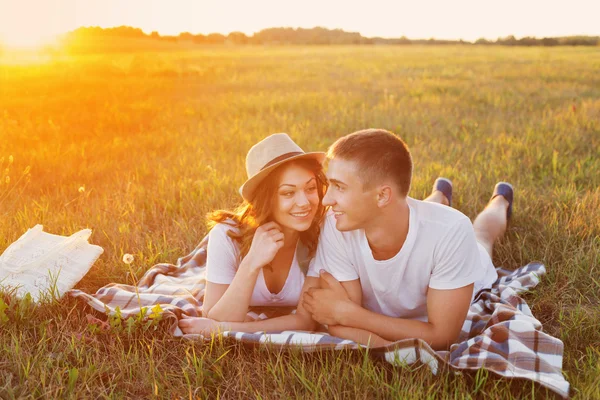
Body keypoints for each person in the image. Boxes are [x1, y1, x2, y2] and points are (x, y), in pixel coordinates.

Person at [301, 129, 512, 350]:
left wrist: (349, 314)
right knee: (414, 211)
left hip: (459, 270)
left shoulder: (452, 231)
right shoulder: (337, 223)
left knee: (481, 237)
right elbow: (339, 324)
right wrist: (347, 317)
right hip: (401, 213)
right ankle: (439, 195)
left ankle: (501, 199)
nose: (326, 199)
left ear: (382, 195)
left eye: (340, 187)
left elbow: (441, 335)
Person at [179, 133, 326, 334]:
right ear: (264, 199)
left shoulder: (323, 235)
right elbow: (213, 316)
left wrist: (226, 328)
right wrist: (252, 262)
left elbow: (305, 322)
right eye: (288, 193)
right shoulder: (226, 235)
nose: (305, 202)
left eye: (310, 188)